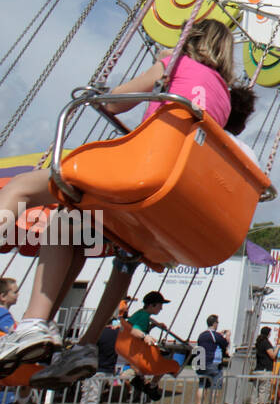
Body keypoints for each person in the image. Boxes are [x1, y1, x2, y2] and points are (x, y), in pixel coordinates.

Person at [0, 20, 238, 371]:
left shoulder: (174, 64)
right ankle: (83, 344)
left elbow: (113, 105)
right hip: (174, 202)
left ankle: (35, 322)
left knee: (23, 189)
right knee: (92, 239)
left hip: (140, 174)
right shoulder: (224, 98)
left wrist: (158, 66)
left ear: (191, 40)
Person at [123, 290, 171, 402]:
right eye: (160, 305)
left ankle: (138, 382)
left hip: (131, 350)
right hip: (135, 351)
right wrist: (145, 337)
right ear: (152, 305)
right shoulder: (144, 317)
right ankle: (151, 385)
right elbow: (135, 331)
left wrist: (155, 325)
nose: (161, 308)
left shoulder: (142, 313)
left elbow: (141, 325)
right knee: (166, 362)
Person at [196, 314, 230, 403]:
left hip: (201, 363)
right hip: (213, 363)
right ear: (214, 323)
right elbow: (225, 344)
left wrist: (219, 334)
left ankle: (199, 403)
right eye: (217, 322)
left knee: (202, 386)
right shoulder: (215, 335)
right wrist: (227, 336)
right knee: (215, 388)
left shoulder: (202, 335)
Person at [252, 325, 275, 404]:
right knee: (264, 391)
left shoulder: (258, 342)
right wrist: (278, 348)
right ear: (268, 334)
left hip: (257, 370)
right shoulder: (266, 343)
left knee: (255, 391)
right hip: (265, 370)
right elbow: (272, 355)